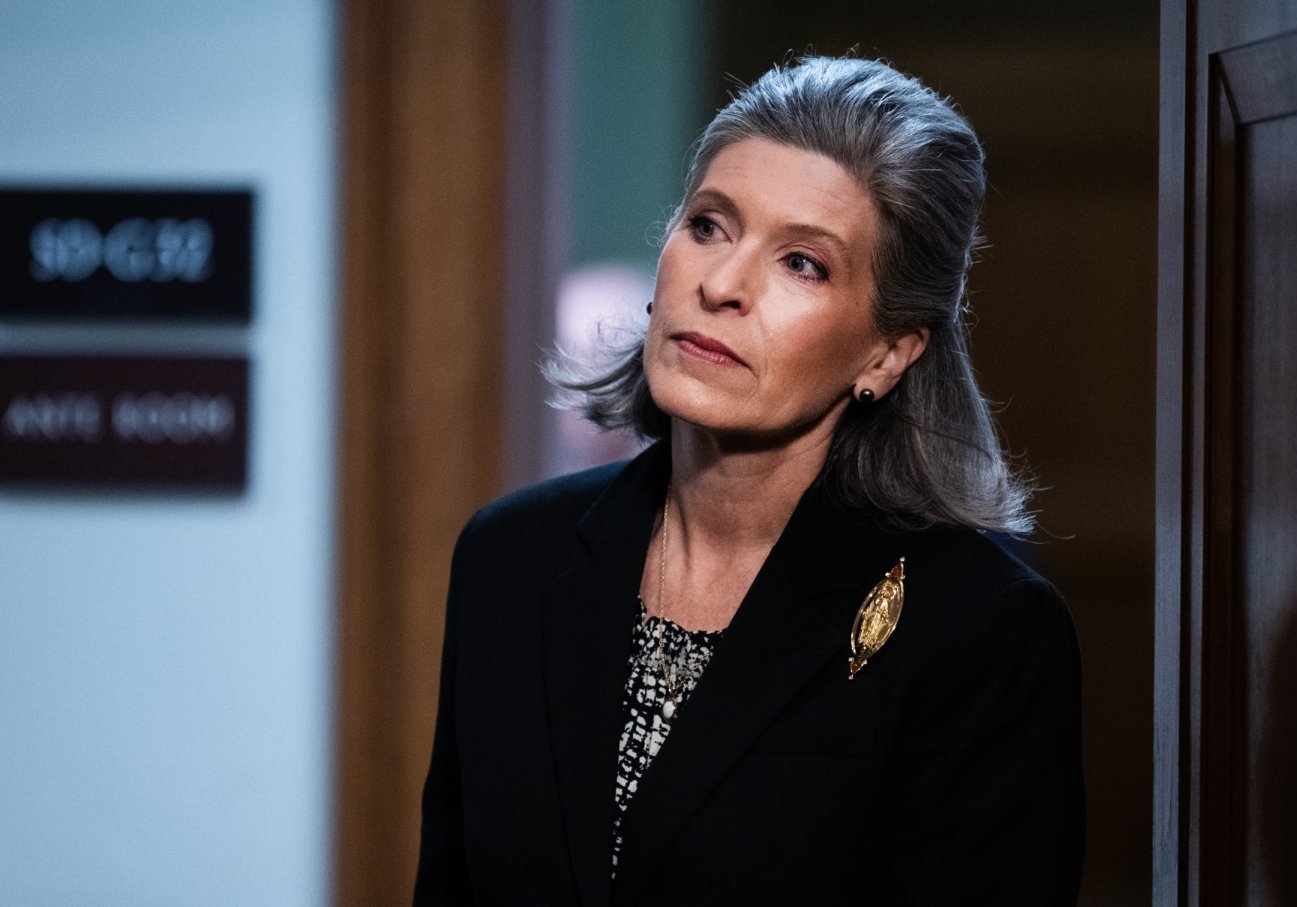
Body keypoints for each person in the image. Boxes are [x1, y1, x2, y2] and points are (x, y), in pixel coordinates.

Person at [414, 55, 1084, 904]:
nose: (721, 284)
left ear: (889, 350)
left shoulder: (980, 626)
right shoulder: (509, 558)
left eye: (802, 262)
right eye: (708, 225)